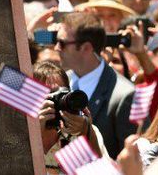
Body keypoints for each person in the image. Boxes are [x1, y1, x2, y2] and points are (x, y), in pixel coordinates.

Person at [55, 12, 136, 158]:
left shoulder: (125, 95)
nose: (56, 48)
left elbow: (133, 161)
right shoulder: (60, 82)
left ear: (86, 48)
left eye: (62, 43)